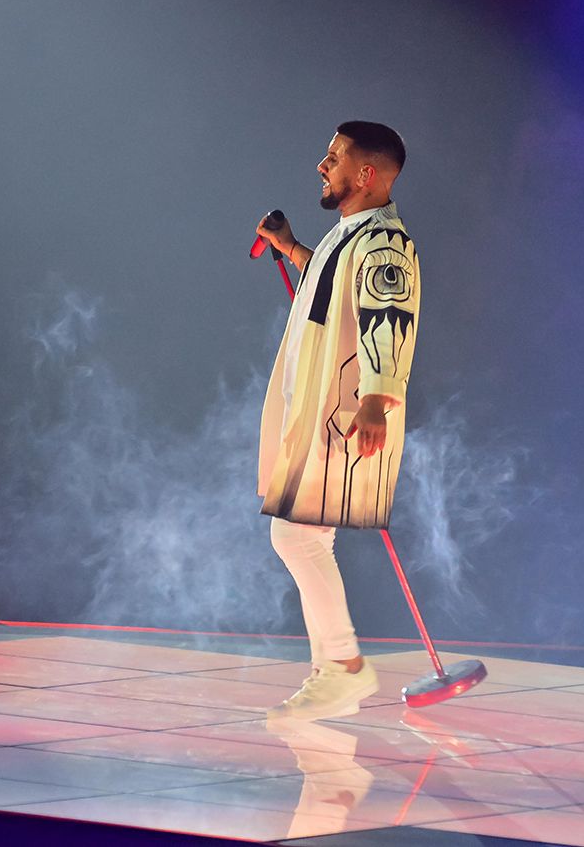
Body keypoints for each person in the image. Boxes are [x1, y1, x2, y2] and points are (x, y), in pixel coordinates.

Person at [253, 121, 420, 720]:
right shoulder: (350, 234)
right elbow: (329, 287)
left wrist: (376, 400)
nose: (322, 167)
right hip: (323, 408)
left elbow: (388, 317)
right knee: (305, 536)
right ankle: (332, 672)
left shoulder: (385, 244)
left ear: (366, 174)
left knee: (296, 535)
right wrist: (292, 247)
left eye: (334, 157)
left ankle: (344, 667)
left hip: (346, 412)